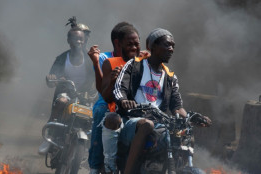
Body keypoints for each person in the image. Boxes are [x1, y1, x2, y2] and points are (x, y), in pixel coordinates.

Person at [106, 28, 211, 174]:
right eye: (167, 45)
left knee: (186, 133)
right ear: (152, 46)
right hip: (132, 120)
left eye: (173, 46)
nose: (171, 49)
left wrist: (189, 118)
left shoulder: (170, 77)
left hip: (160, 123)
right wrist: (124, 100)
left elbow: (177, 106)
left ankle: (179, 168)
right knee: (147, 125)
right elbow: (119, 87)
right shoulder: (134, 65)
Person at [89, 24, 142, 174]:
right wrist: (96, 63)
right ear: (118, 43)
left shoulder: (142, 60)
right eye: (129, 43)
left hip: (134, 105)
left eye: (136, 43)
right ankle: (97, 165)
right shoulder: (106, 59)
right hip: (108, 101)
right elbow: (102, 89)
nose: (133, 46)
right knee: (102, 111)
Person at [38, 19, 95, 155]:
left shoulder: (91, 59)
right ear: (69, 40)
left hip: (85, 95)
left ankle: (93, 149)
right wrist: (52, 78)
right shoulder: (62, 58)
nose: (80, 41)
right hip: (66, 93)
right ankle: (50, 135)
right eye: (76, 38)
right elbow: (51, 79)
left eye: (82, 38)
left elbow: (99, 76)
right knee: (61, 102)